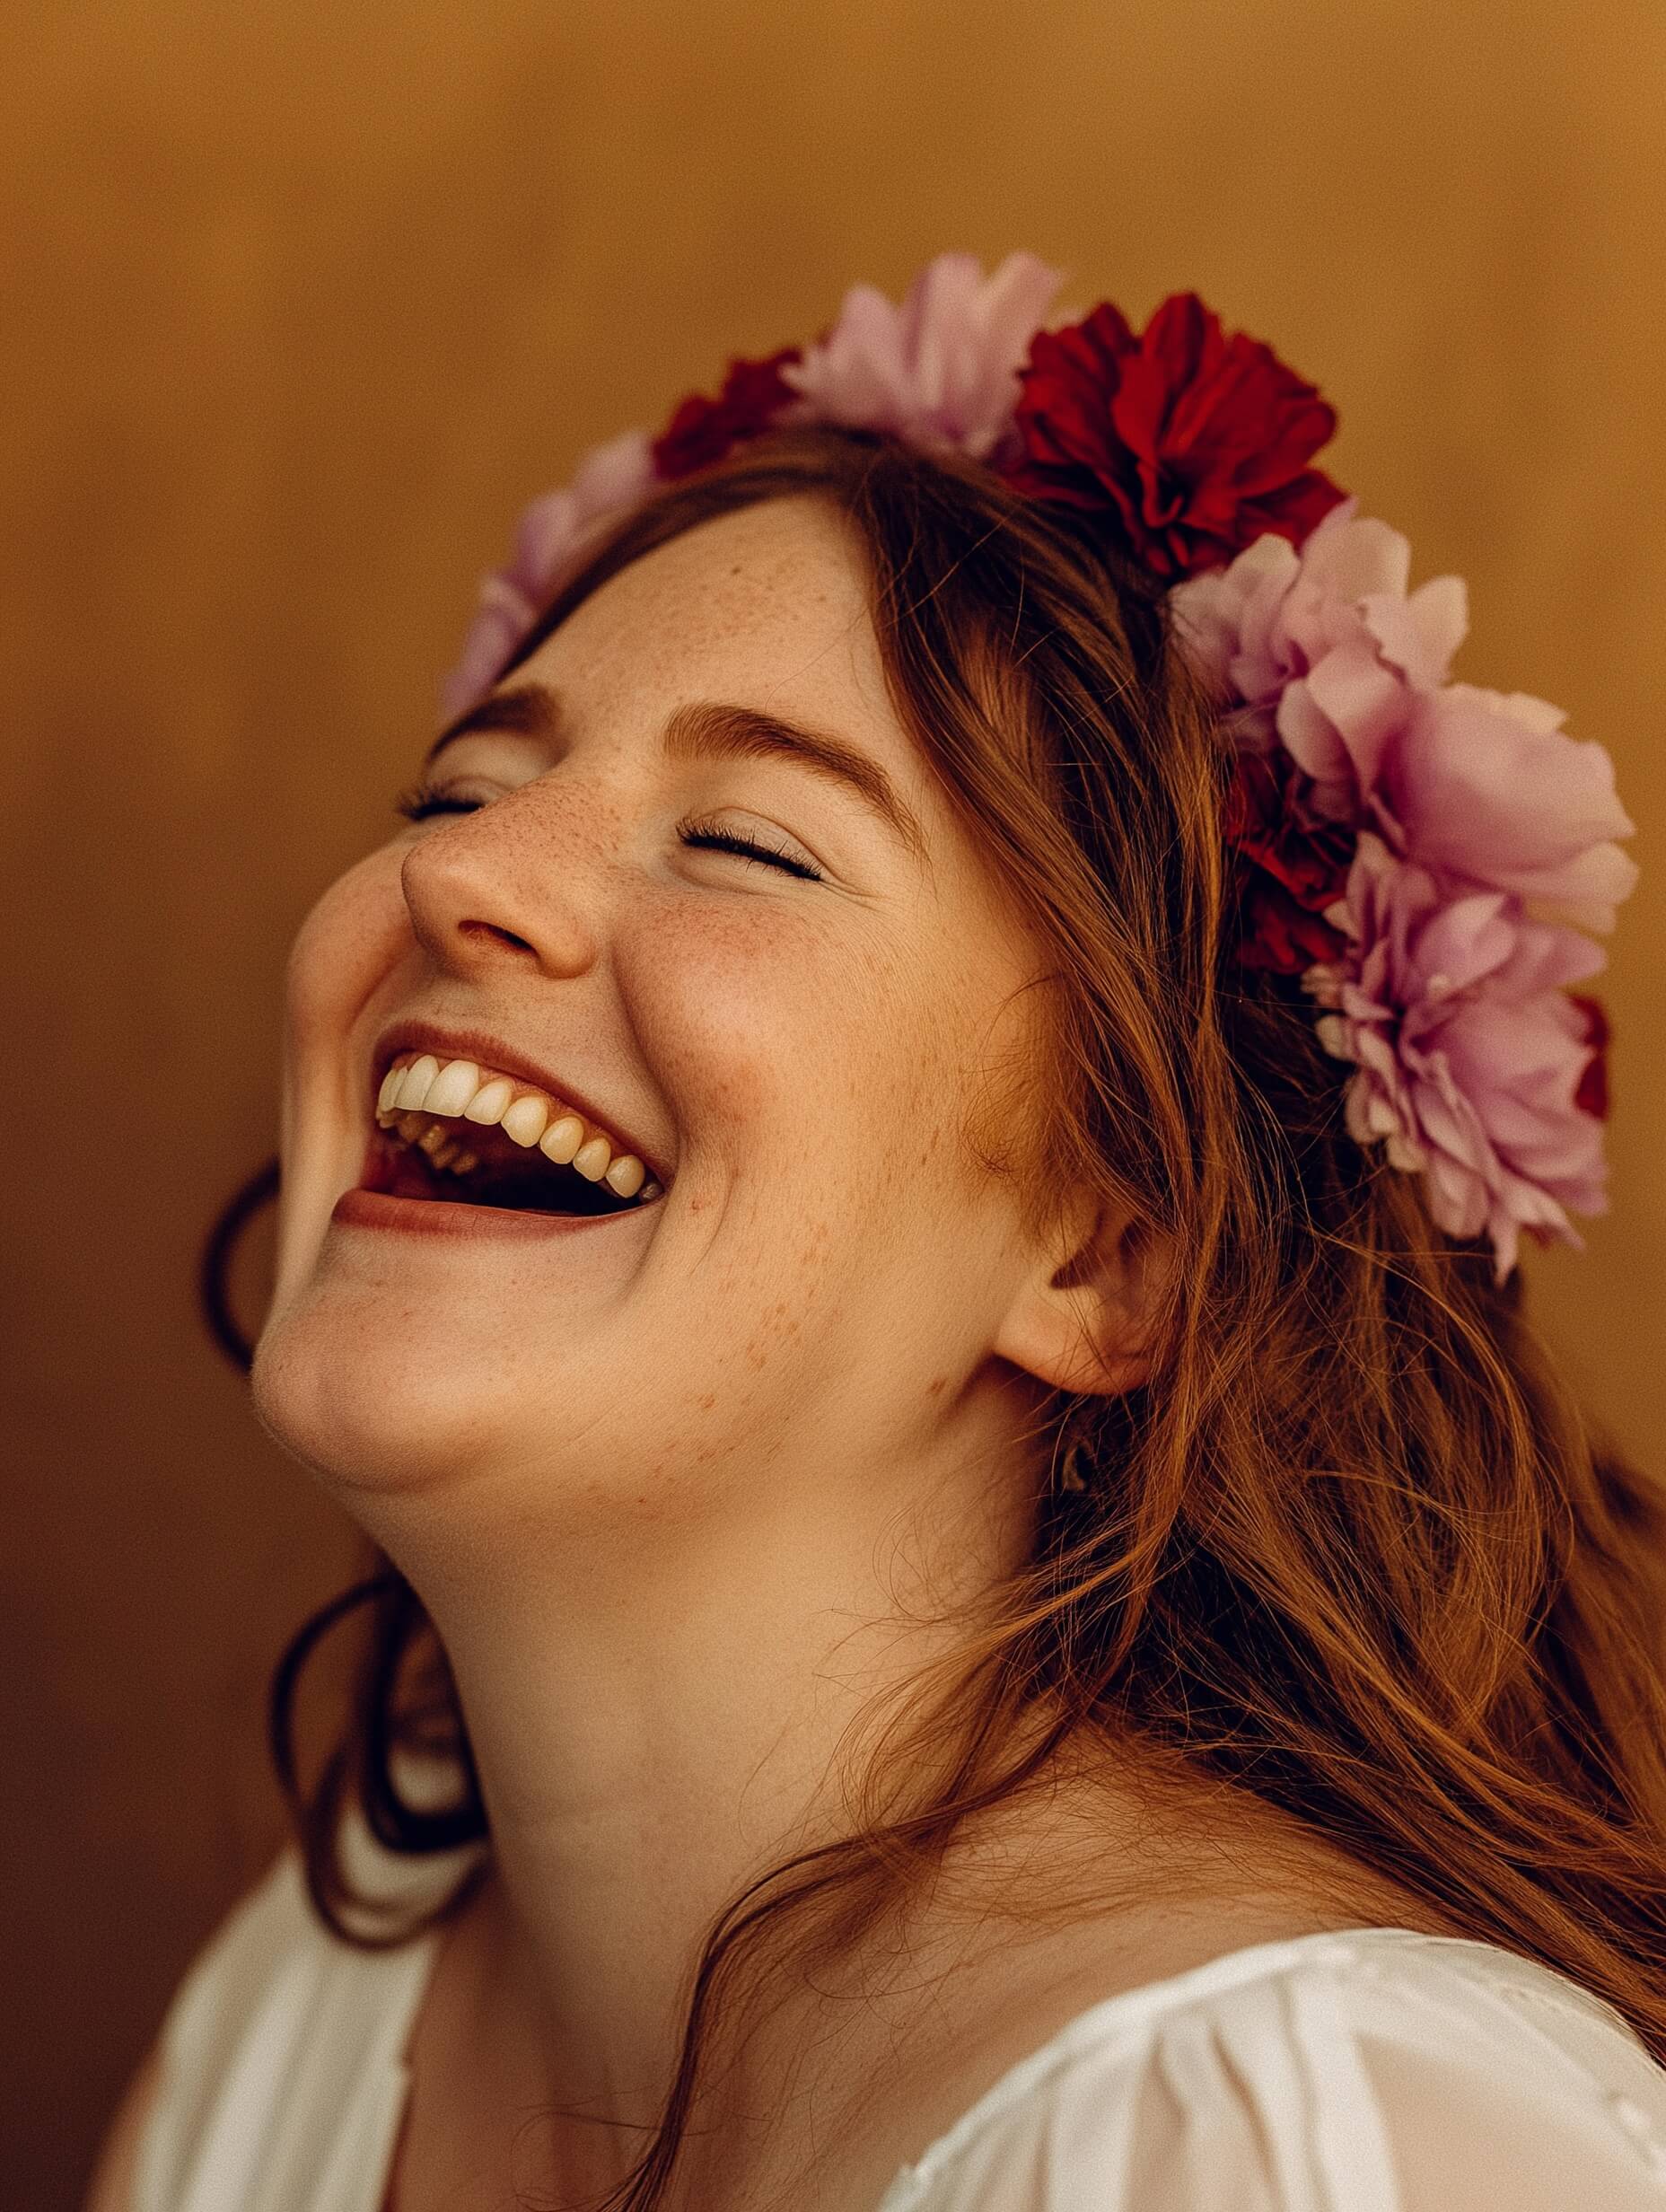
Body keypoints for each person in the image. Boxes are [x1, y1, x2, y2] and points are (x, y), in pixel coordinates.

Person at [88, 254, 1666, 2212]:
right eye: (459, 786)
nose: (456, 870)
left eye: (747, 839)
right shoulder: (310, 2007)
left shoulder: (1314, 2144)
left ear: (1108, 1254)